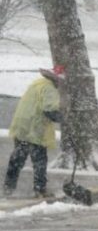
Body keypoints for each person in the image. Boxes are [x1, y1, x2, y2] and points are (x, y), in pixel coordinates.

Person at [4, 65, 63, 198]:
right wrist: (64, 119)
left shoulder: (37, 84)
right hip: (35, 129)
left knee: (17, 159)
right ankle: (40, 190)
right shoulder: (49, 89)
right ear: (57, 80)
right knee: (39, 161)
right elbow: (49, 110)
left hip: (22, 126)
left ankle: (8, 188)